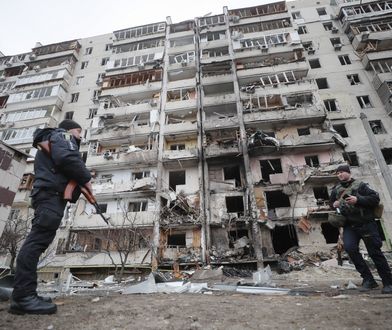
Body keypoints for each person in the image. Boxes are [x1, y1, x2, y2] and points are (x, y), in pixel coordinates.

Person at [9, 119, 92, 314]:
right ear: (71, 130)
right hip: (50, 196)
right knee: (36, 243)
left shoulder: (52, 140)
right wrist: (86, 179)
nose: (80, 136)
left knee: (37, 242)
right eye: (79, 132)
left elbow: (62, 164)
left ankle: (26, 294)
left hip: (48, 196)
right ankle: (23, 298)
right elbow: (68, 158)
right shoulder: (63, 136)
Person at [330, 164, 392, 294]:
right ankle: (369, 280)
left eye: (342, 172)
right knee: (350, 249)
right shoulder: (336, 189)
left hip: (366, 223)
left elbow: (375, 199)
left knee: (374, 252)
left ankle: (388, 282)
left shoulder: (361, 185)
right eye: (338, 173)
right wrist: (334, 204)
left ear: (348, 173)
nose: (340, 175)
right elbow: (331, 204)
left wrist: (358, 199)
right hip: (349, 225)